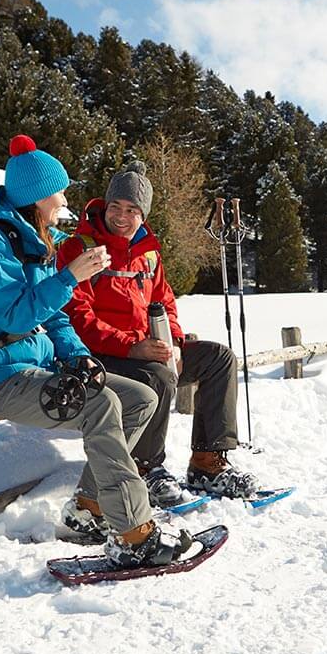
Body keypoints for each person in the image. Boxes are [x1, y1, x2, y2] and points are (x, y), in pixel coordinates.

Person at [0, 135, 189, 568]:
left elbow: (56, 316)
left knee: (141, 398)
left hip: (37, 367)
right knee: (100, 404)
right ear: (38, 196)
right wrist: (70, 277)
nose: (64, 200)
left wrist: (80, 357)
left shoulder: (36, 241)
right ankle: (134, 532)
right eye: (58, 192)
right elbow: (14, 316)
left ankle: (89, 508)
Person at [56, 161, 260, 503]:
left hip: (147, 349)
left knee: (219, 358)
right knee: (158, 376)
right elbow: (78, 318)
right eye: (116, 207)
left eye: (132, 210)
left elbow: (164, 302)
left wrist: (174, 343)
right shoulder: (81, 248)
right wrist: (131, 347)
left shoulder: (148, 254)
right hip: (101, 357)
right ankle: (145, 467)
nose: (121, 217)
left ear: (143, 215)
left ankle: (207, 463)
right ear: (105, 206)